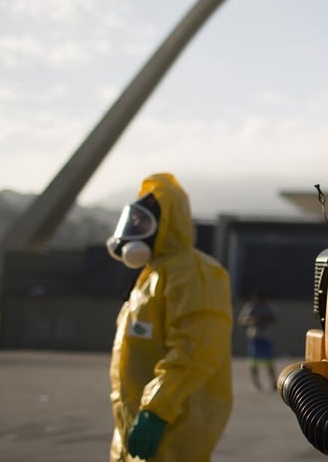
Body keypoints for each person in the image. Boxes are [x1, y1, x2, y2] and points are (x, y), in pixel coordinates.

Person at [106, 173, 233, 461]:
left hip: (174, 428)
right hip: (136, 426)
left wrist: (157, 410)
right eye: (132, 221)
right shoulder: (152, 275)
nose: (133, 229)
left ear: (165, 225)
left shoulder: (193, 273)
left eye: (142, 223)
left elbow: (196, 351)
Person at [238, 290, 279, 391]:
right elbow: (242, 320)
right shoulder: (250, 307)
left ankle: (273, 381)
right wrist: (252, 320)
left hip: (265, 337)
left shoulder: (268, 307)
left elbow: (274, 318)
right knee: (254, 362)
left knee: (269, 362)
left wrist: (264, 319)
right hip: (255, 337)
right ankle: (256, 383)